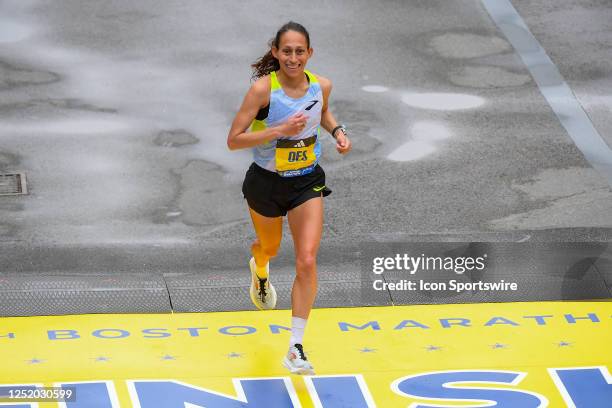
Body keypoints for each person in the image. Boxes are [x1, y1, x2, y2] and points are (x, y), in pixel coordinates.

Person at [227, 21, 351, 375]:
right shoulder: (263, 91)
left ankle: (295, 346)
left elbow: (323, 113)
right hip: (265, 184)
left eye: (300, 51)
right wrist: (279, 130)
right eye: (287, 51)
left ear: (309, 54)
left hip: (306, 182)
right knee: (269, 247)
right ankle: (260, 268)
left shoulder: (321, 86)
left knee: (307, 260)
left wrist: (338, 132)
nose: (293, 58)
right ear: (276, 53)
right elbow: (234, 139)